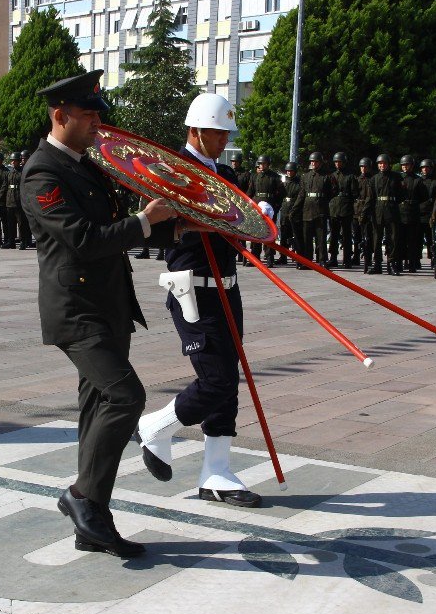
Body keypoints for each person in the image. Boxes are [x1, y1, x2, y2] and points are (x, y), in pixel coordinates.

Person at [20, 70, 176, 558]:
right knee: (124, 396)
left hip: (108, 305)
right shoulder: (42, 172)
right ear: (59, 114)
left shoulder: (86, 166)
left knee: (96, 411)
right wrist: (144, 223)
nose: (96, 124)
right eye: (88, 115)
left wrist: (180, 224)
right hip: (77, 310)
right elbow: (84, 239)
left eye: (97, 114)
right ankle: (82, 498)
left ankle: (93, 523)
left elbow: (121, 228)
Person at [136, 92, 263, 509]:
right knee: (215, 380)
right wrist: (205, 221)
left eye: (226, 132)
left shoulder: (224, 173)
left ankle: (217, 472)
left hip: (227, 284)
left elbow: (240, 221)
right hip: (192, 286)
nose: (223, 139)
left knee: (229, 384)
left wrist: (260, 216)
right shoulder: (169, 171)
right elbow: (157, 227)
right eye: (216, 132)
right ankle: (156, 425)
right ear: (194, 130)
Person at [328, 152, 356, 267]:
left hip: (346, 207)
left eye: (339, 162)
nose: (337, 164)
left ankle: (347, 259)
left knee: (347, 235)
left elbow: (355, 193)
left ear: (344, 162)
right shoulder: (332, 176)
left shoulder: (350, 176)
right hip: (334, 207)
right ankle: (333, 257)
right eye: (336, 162)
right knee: (333, 235)